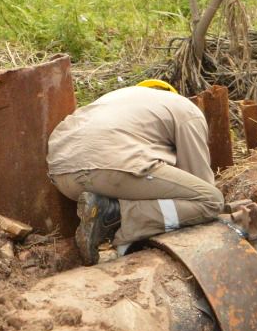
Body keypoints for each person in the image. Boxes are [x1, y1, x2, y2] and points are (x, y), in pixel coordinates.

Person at [47, 78, 227, 265]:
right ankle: (115, 218)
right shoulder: (186, 110)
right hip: (108, 166)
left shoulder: (119, 98)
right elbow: (200, 181)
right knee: (211, 201)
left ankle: (107, 210)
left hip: (63, 178)